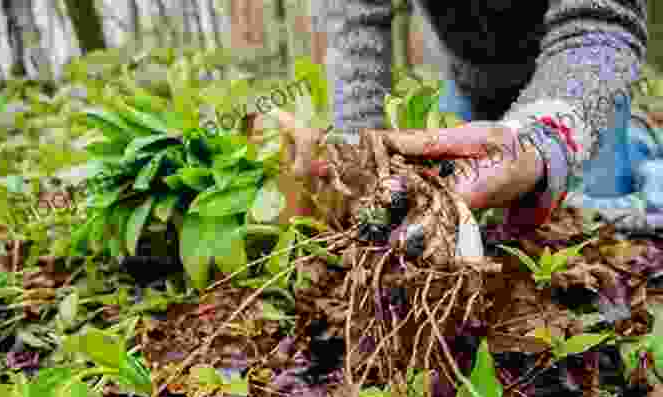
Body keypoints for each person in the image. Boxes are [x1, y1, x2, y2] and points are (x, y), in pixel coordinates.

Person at [272, 0, 663, 235]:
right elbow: (356, 24)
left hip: (573, 75)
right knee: (449, 198)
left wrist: (544, 136)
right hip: (468, 84)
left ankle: (637, 139)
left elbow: (601, 23)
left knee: (596, 218)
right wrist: (358, 150)